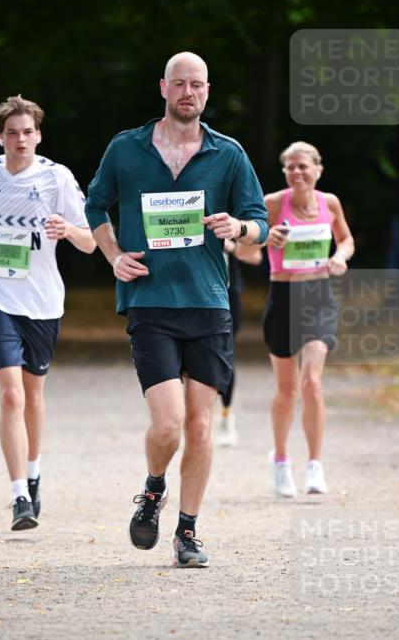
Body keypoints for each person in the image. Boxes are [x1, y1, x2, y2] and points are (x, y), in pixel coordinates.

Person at [85, 52, 268, 568]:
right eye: (179, 83)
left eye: (198, 84)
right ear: (163, 87)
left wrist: (240, 229)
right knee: (168, 425)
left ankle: (187, 531)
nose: (188, 92)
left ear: (207, 91)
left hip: (209, 302)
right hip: (150, 301)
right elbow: (95, 204)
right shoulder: (127, 147)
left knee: (202, 425)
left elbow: (260, 221)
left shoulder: (228, 154)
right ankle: (152, 489)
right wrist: (114, 255)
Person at [0, 94, 95, 531]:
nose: (21, 140)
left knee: (34, 396)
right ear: (0, 137)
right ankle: (19, 495)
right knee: (12, 395)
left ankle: (34, 473)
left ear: (39, 135)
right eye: (12, 133)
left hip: (42, 301)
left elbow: (90, 240)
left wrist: (68, 229)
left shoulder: (56, 178)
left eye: (28, 132)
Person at [263, 142, 354, 497]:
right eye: (290, 167)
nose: (297, 172)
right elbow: (244, 245)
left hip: (318, 297)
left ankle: (315, 465)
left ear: (318, 169)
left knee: (312, 382)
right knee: (287, 390)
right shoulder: (272, 203)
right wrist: (264, 238)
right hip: (282, 297)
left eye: (303, 166)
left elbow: (345, 239)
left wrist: (340, 257)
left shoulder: (329, 203)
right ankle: (281, 460)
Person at [216, 240, 262, 447]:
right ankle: (191, 419)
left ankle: (226, 416)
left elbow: (256, 256)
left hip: (226, 295)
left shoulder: (230, 216)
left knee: (225, 356)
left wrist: (229, 245)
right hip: (190, 292)